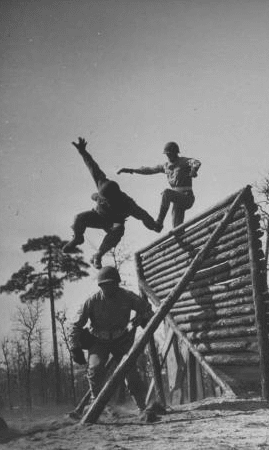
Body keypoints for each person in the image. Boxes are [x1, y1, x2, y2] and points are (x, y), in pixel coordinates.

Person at [69, 266, 157, 422]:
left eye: (112, 284)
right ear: (100, 285)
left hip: (122, 340)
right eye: (105, 284)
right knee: (95, 370)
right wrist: (75, 347)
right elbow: (75, 325)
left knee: (131, 373)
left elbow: (146, 308)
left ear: (117, 283)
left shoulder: (127, 296)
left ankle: (142, 408)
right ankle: (98, 406)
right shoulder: (92, 301)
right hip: (98, 342)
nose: (109, 288)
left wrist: (141, 318)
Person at [63, 137, 162, 269]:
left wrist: (153, 226)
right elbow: (92, 166)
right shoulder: (102, 183)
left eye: (109, 200)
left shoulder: (127, 203)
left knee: (119, 229)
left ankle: (98, 255)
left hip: (113, 223)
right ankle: (77, 238)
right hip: (98, 216)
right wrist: (83, 151)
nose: (108, 202)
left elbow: (143, 215)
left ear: (115, 198)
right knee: (78, 218)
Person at [117, 142, 201, 229]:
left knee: (166, 193)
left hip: (187, 197)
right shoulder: (166, 166)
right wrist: (131, 170)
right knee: (177, 229)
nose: (169, 156)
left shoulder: (183, 161)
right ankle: (182, 241)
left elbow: (196, 162)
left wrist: (194, 170)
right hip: (176, 200)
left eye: (170, 154)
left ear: (176, 153)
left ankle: (159, 222)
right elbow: (149, 170)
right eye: (167, 154)